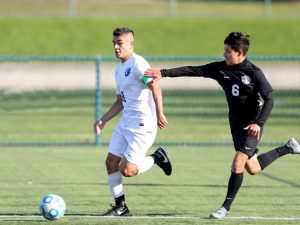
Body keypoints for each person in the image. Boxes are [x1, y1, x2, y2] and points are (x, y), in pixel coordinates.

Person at [144, 31, 300, 219]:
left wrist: (258, 123)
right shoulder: (220, 69)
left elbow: (270, 99)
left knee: (237, 164)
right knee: (254, 168)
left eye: (228, 51)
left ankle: (224, 207)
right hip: (235, 124)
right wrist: (164, 73)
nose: (224, 54)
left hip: (251, 126)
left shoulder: (254, 73)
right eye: (224, 49)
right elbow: (193, 70)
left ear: (240, 52)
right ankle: (289, 147)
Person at [94, 27, 172, 216]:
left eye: (119, 43)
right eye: (114, 43)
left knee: (127, 170)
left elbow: (156, 88)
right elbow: (120, 101)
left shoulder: (138, 64)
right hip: (125, 123)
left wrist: (160, 113)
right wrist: (103, 120)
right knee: (111, 162)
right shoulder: (119, 69)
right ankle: (121, 207)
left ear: (131, 44)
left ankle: (157, 157)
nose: (115, 47)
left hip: (142, 125)